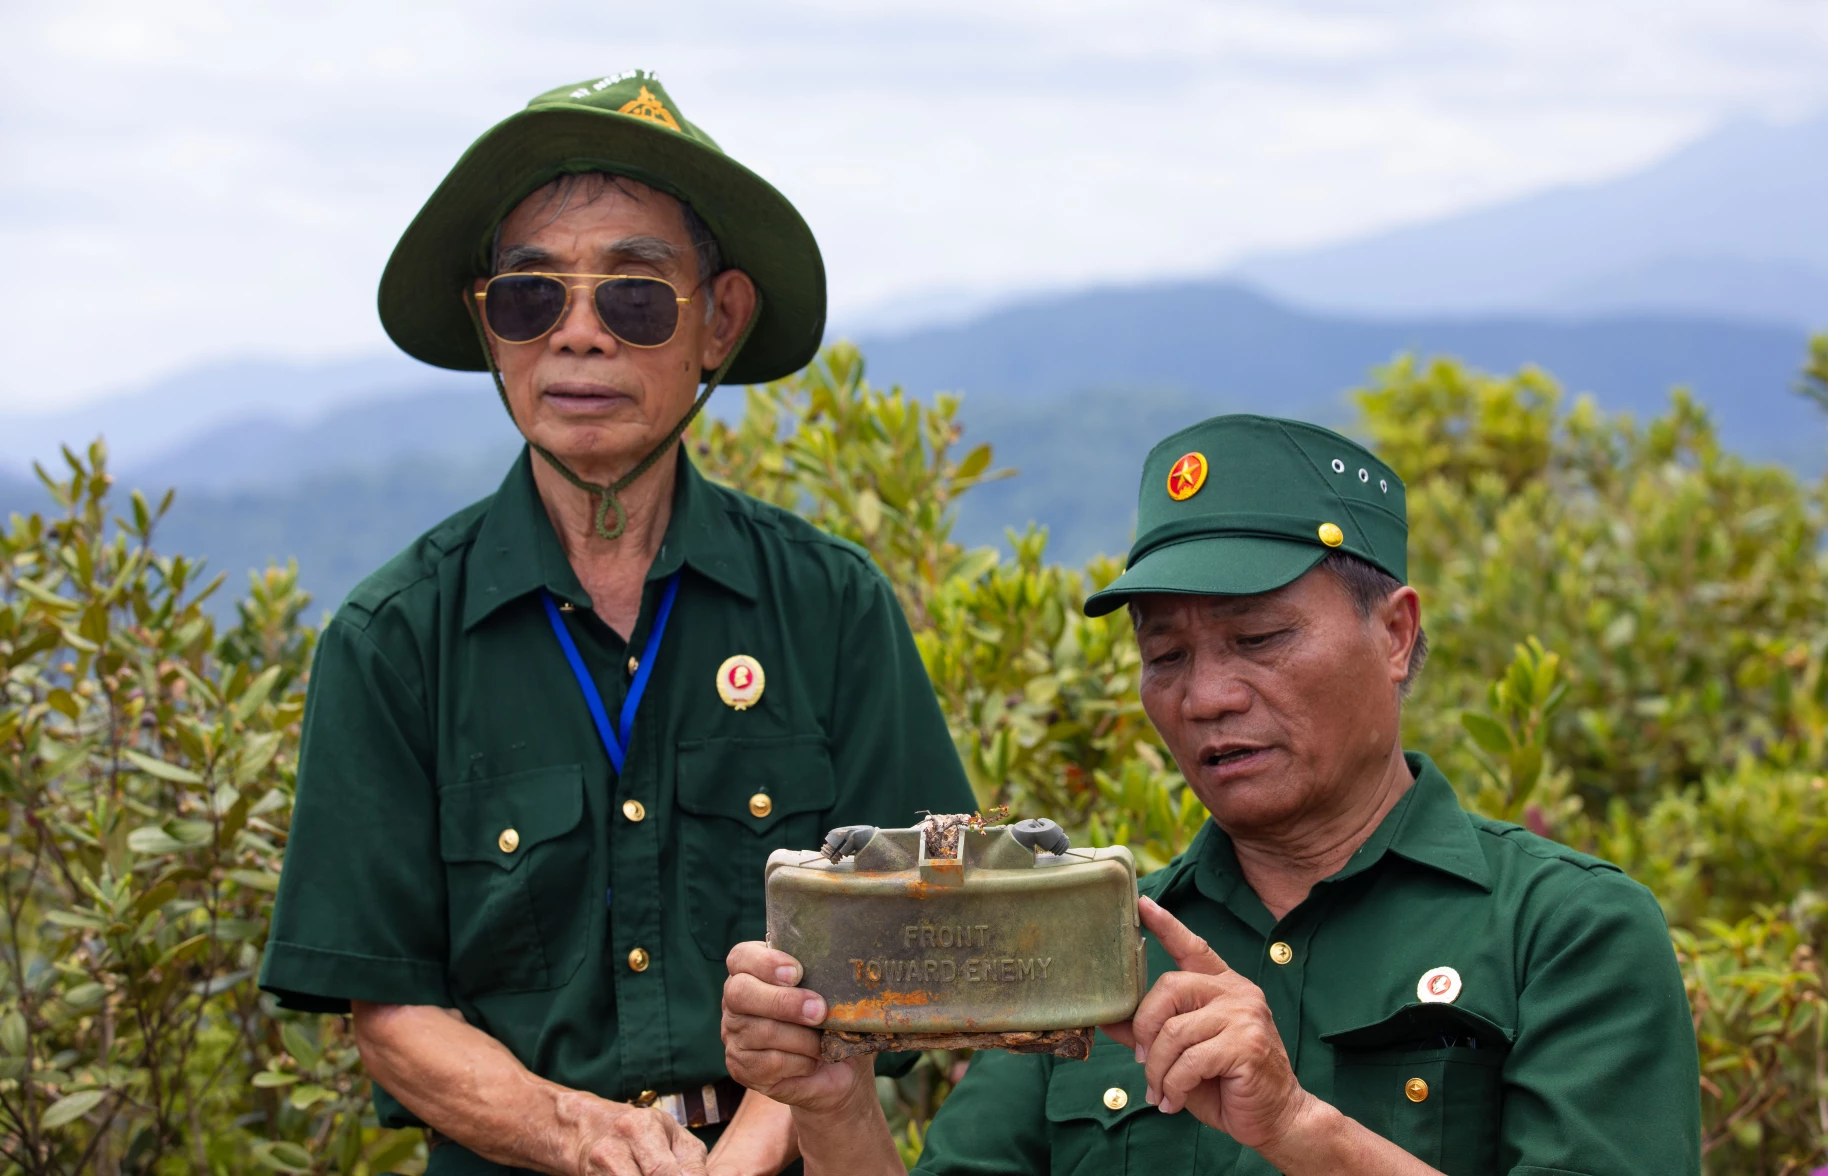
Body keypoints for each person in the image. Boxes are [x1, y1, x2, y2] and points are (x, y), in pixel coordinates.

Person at [259, 68, 976, 1176]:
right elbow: (391, 1010)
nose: (579, 335)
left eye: (634, 296)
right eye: (531, 295)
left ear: (718, 323)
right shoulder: (393, 637)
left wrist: (739, 1155)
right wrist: (580, 1135)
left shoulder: (830, 606)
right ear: (490, 330)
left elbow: (907, 938)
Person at [720, 414, 1702, 1175]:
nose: (1206, 694)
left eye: (1260, 638)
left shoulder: (1562, 929)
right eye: (1165, 653)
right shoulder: (1089, 943)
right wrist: (834, 1101)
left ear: (1395, 634)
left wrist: (1297, 1124)